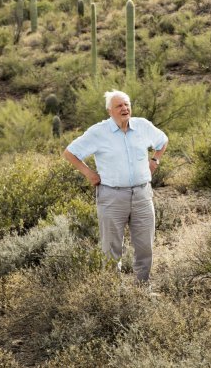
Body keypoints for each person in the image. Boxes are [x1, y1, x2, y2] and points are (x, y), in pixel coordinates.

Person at [62, 90, 168, 282]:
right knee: (111, 247)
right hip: (112, 196)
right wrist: (89, 173)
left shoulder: (143, 126)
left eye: (127, 104)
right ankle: (112, 291)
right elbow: (70, 153)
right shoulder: (98, 132)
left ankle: (143, 286)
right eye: (119, 106)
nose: (125, 108)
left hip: (143, 194)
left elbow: (163, 141)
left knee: (145, 245)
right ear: (110, 111)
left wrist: (155, 160)